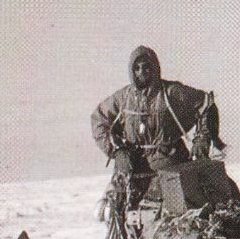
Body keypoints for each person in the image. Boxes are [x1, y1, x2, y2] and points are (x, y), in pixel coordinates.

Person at [90, 46, 221, 205]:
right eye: (136, 68)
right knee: (113, 207)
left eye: (146, 66)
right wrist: (117, 151)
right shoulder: (123, 99)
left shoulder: (170, 93)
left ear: (155, 68)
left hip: (169, 162)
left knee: (176, 211)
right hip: (132, 166)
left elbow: (206, 104)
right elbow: (99, 119)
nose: (142, 71)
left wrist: (201, 141)